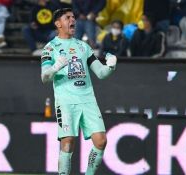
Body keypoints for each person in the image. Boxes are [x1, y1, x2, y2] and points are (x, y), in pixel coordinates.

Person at [41, 8, 117, 175]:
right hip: (66, 100)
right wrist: (55, 67)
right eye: (67, 17)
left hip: (88, 99)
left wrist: (110, 66)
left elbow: (101, 73)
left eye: (73, 17)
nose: (72, 20)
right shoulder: (50, 48)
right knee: (67, 143)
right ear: (58, 23)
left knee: (101, 141)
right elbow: (44, 77)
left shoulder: (83, 47)